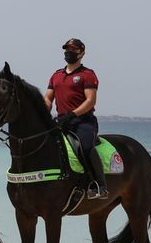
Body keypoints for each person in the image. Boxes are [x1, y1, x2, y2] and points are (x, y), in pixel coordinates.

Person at [43, 38, 109, 199]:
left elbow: (90, 100)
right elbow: (48, 99)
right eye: (66, 49)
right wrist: (42, 112)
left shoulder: (87, 75)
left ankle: (100, 186)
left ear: (81, 52)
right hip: (61, 122)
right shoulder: (56, 75)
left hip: (83, 122)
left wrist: (72, 115)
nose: (68, 52)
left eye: (72, 49)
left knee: (86, 148)